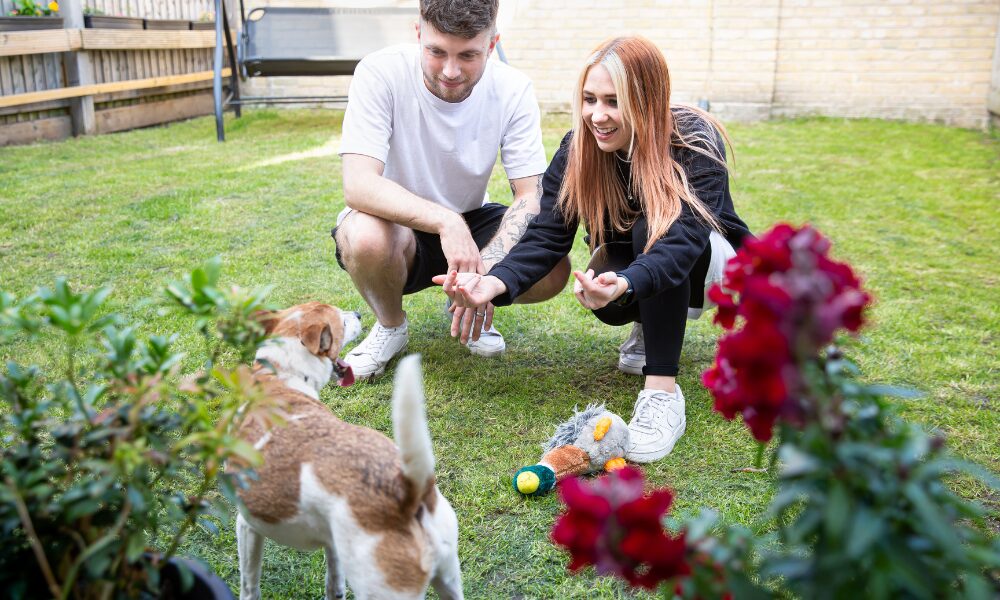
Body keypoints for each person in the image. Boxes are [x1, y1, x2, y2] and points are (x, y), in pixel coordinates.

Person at [436, 36, 753, 462]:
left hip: (715, 267)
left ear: (647, 100)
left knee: (651, 231)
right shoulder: (579, 147)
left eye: (613, 101)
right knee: (613, 278)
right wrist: (494, 281)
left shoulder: (694, 140)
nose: (597, 116)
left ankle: (662, 393)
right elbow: (548, 233)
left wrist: (626, 281)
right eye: (589, 99)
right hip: (652, 259)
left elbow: (679, 242)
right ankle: (650, 328)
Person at [333, 0, 570, 380]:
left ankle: (466, 303)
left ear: (492, 45)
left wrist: (487, 274)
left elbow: (531, 195)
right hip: (395, 223)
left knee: (553, 268)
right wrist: (446, 222)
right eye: (436, 51)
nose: (451, 71)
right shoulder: (379, 72)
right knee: (364, 237)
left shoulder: (513, 88)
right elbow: (359, 183)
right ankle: (391, 326)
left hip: (473, 217)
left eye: (469, 55)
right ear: (418, 34)